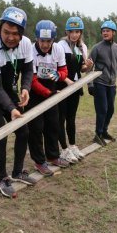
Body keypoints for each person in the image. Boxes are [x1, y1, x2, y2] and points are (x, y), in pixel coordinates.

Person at [0, 6, 36, 198]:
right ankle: (2, 178)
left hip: (8, 91)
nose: (10, 37)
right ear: (0, 29)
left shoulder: (26, 44)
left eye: (15, 33)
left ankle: (18, 172)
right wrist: (11, 108)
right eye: (6, 32)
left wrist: (26, 87)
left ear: (22, 33)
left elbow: (28, 70)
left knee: (23, 131)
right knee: (0, 135)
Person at [26, 20, 70, 177]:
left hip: (51, 89)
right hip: (35, 92)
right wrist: (48, 94)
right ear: (37, 38)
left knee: (53, 125)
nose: (45, 45)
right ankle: (39, 161)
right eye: (42, 41)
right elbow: (32, 79)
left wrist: (60, 75)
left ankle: (53, 156)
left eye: (49, 41)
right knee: (36, 128)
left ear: (53, 40)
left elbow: (64, 70)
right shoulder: (30, 51)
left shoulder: (58, 49)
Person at [57, 17, 93, 163]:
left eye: (77, 31)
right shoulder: (60, 45)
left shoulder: (82, 47)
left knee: (71, 118)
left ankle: (72, 146)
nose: (74, 35)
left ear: (81, 32)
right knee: (61, 118)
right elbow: (55, 68)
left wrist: (88, 66)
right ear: (67, 31)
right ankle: (64, 149)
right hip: (61, 86)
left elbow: (82, 69)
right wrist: (66, 81)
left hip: (76, 86)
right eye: (71, 32)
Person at [87, 20, 117, 146]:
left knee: (110, 110)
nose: (105, 33)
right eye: (103, 31)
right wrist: (90, 84)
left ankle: (104, 131)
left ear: (113, 32)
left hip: (112, 85)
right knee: (102, 110)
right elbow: (89, 67)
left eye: (108, 31)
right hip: (100, 83)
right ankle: (98, 134)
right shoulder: (97, 48)